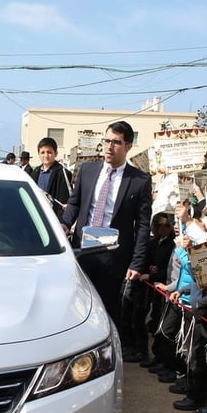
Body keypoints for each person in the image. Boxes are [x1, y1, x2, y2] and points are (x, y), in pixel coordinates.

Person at [61, 120, 153, 342]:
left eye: (116, 142)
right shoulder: (87, 170)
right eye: (107, 140)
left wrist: (137, 263)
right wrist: (64, 224)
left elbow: (142, 225)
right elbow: (75, 203)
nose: (110, 147)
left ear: (128, 146)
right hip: (82, 250)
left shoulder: (139, 181)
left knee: (107, 310)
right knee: (77, 306)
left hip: (114, 255)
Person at [30, 137, 71, 217]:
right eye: (42, 152)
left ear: (55, 153)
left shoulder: (63, 174)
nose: (46, 155)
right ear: (38, 154)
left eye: (49, 152)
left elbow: (64, 202)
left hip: (53, 218)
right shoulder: (34, 173)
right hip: (36, 216)